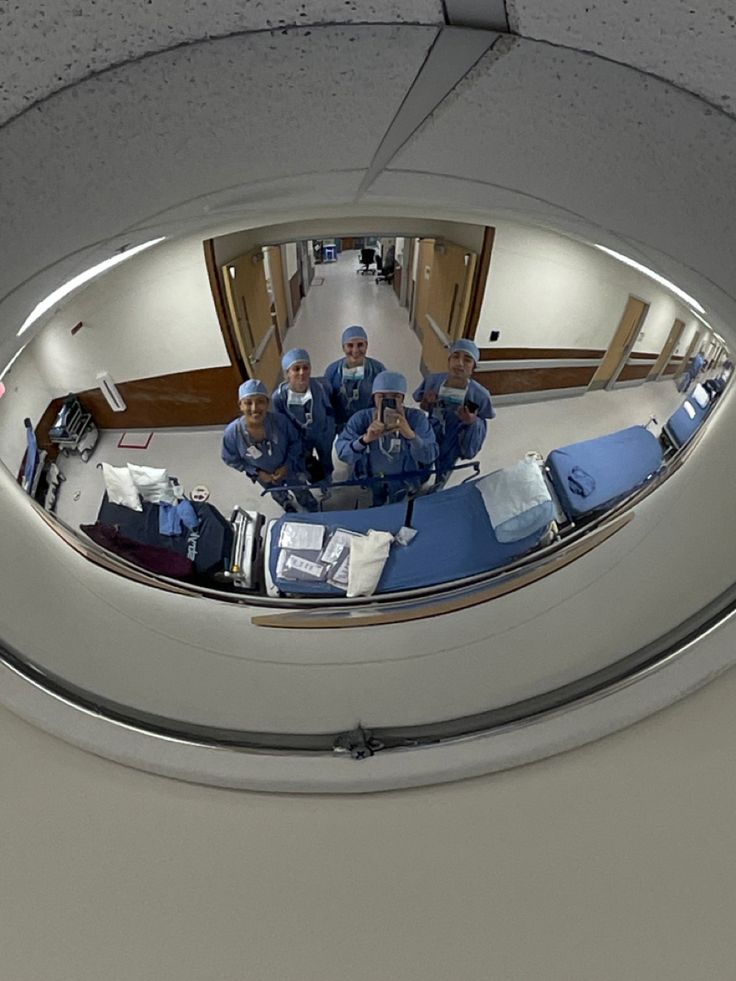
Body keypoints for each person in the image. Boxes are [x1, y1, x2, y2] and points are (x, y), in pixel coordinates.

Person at [336, 370, 438, 506]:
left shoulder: (416, 418)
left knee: (398, 506)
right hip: (372, 477)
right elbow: (343, 452)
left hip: (403, 479)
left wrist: (411, 435)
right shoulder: (361, 419)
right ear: (374, 397)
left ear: (402, 398)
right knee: (376, 503)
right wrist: (364, 440)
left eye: (395, 396)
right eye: (382, 396)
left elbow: (430, 455)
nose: (388, 401)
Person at [221, 379, 318, 513]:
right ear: (240, 405)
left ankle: (310, 506)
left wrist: (287, 465)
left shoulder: (281, 422)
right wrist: (256, 472)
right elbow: (230, 459)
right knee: (276, 492)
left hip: (290, 468)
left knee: (300, 488)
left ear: (267, 403)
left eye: (260, 401)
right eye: (248, 403)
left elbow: (296, 442)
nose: (254, 408)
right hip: (263, 475)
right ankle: (285, 503)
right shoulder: (232, 434)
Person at [412, 339, 494, 490]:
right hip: (433, 429)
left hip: (455, 436)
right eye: (455, 357)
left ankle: (438, 486)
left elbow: (483, 419)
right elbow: (422, 405)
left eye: (467, 360)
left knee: (445, 465)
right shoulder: (433, 381)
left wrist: (471, 421)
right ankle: (420, 479)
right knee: (424, 457)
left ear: (473, 367)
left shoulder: (480, 395)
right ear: (449, 360)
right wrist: (427, 403)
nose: (460, 363)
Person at [271, 348, 336, 487]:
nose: (302, 373)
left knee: (326, 458)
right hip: (299, 438)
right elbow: (281, 423)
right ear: (287, 373)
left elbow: (329, 408)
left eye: (305, 368)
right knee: (305, 462)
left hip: (323, 433)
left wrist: (330, 429)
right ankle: (315, 479)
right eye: (296, 369)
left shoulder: (322, 386)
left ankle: (328, 479)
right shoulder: (279, 397)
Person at [323, 325, 387, 430]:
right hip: (343, 426)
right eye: (350, 345)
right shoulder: (332, 371)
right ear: (343, 347)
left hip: (370, 425)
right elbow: (326, 401)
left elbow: (385, 399)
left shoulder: (378, 370)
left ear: (367, 346)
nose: (355, 350)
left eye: (360, 345)